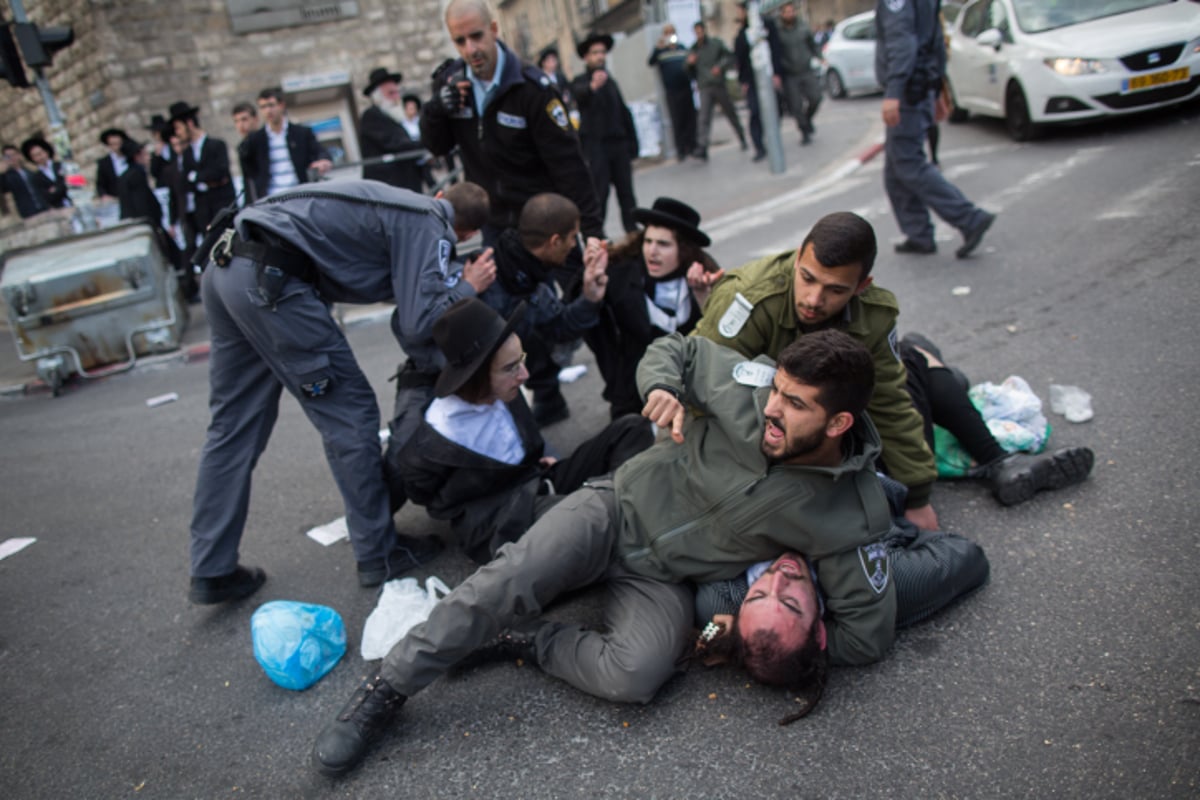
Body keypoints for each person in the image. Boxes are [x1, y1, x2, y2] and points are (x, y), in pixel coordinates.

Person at [311, 330, 897, 777]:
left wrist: (750, 637)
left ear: (838, 422)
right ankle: (389, 686)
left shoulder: (851, 511)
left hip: (664, 578)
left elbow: (866, 635)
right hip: (615, 508)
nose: (772, 407)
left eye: (795, 404)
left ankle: (524, 641)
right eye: (777, 390)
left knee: (637, 677)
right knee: (510, 577)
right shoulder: (750, 387)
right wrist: (662, 387)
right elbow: (679, 349)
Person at [186, 180, 493, 605]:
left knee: (232, 426)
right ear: (463, 234)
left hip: (226, 265)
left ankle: (211, 566)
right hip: (271, 282)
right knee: (350, 415)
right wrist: (467, 287)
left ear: (440, 193)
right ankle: (378, 552)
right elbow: (421, 322)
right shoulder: (429, 221)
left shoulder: (396, 199)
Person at [694, 212, 1093, 525]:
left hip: (836, 420)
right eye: (807, 278)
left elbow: (888, 400)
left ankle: (993, 461)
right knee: (921, 360)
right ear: (797, 258)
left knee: (911, 367)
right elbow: (700, 384)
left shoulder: (871, 314)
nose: (814, 300)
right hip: (774, 433)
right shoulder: (750, 297)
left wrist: (918, 496)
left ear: (862, 286)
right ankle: (995, 458)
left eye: (835, 290)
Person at [694, 473, 990, 720]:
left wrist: (722, 640)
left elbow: (707, 634)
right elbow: (969, 556)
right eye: (790, 602)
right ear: (822, 630)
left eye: (758, 594)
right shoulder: (887, 583)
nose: (780, 577)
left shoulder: (722, 601)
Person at [383, 192, 609, 510]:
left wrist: (589, 296)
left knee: (545, 467)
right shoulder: (478, 271)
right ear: (555, 241)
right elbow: (409, 326)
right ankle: (379, 547)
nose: (575, 246)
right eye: (573, 238)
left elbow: (559, 328)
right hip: (435, 378)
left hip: (493, 385)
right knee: (402, 459)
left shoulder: (532, 283)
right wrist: (463, 366)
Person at [396, 298, 652, 562]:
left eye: (522, 360)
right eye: (511, 367)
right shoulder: (435, 440)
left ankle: (625, 503)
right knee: (587, 513)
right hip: (502, 521)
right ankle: (624, 508)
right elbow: (425, 495)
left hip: (538, 481)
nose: (525, 374)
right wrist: (486, 492)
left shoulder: (505, 389)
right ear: (476, 375)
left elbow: (525, 448)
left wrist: (532, 469)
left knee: (630, 428)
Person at [420, 0, 602, 241]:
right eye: (460, 41)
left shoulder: (533, 88)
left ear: (494, 30)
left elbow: (569, 165)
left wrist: (593, 233)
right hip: (493, 225)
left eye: (476, 36)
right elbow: (437, 146)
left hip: (543, 223)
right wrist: (436, 109)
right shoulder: (451, 83)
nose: (470, 49)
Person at [584, 197, 722, 419]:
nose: (651, 251)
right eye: (648, 241)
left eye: (663, 244)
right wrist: (590, 292)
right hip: (634, 398)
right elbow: (587, 327)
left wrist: (703, 299)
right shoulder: (620, 278)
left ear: (684, 249)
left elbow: (722, 343)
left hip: (690, 398)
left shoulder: (702, 279)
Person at [876, 0, 995, 258]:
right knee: (896, 173)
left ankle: (969, 218)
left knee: (909, 164)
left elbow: (902, 42)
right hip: (921, 87)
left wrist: (894, 91)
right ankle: (919, 235)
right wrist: (938, 90)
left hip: (908, 92)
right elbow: (936, 41)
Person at [570, 32, 639, 234]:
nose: (600, 56)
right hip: (597, 148)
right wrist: (592, 87)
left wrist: (633, 144)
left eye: (602, 52)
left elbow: (624, 113)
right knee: (600, 195)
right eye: (595, 53)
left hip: (619, 146)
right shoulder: (581, 81)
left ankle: (632, 232)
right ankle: (597, 235)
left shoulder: (612, 82)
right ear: (586, 57)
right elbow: (579, 95)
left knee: (627, 194)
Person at [240, 87, 332, 199]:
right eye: (263, 107)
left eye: (271, 105)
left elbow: (319, 151)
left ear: (281, 105)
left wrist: (323, 161)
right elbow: (249, 171)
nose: (268, 111)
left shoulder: (301, 133)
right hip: (271, 199)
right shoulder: (257, 139)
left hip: (300, 195)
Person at [169, 101, 237, 241]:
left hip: (223, 204)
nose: (178, 133)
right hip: (203, 210)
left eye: (178, 128)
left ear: (189, 124)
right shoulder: (187, 153)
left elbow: (221, 172)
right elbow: (184, 182)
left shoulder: (216, 145)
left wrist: (196, 177)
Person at [358, 67, 427, 193]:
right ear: (377, 96)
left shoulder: (393, 117)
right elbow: (395, 143)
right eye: (391, 93)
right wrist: (426, 143)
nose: (396, 97)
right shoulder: (372, 116)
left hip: (404, 183)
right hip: (388, 185)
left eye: (397, 92)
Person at [687, 20, 748, 160]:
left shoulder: (715, 44)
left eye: (700, 31)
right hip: (704, 87)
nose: (699, 34)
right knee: (704, 118)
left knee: (730, 112)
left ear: (704, 30)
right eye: (696, 32)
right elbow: (687, 70)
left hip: (718, 84)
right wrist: (689, 63)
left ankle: (742, 136)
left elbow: (729, 57)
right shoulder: (693, 49)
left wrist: (720, 67)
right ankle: (702, 146)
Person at [733, 3, 779, 163]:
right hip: (752, 80)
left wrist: (777, 74)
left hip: (768, 75)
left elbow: (776, 49)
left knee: (774, 111)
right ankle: (759, 146)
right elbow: (739, 58)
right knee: (755, 112)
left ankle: (773, 141)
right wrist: (743, 81)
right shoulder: (743, 33)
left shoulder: (767, 26)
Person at [773, 2, 823, 145]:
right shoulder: (778, 31)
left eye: (791, 11)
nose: (790, 14)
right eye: (786, 12)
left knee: (816, 98)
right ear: (782, 15)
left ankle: (807, 120)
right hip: (790, 74)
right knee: (795, 106)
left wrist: (820, 56)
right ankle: (804, 131)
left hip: (806, 69)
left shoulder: (802, 26)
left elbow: (812, 44)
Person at [648, 23, 697, 162]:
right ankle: (681, 149)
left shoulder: (682, 48)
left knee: (689, 118)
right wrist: (657, 48)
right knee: (677, 120)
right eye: (667, 33)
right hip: (672, 91)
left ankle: (691, 146)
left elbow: (690, 66)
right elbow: (651, 62)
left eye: (672, 32)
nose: (670, 36)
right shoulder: (661, 52)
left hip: (686, 88)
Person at [0, 143, 51, 218]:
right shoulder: (8, 175)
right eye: (8, 156)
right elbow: (3, 188)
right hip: (28, 212)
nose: (12, 158)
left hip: (44, 207)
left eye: (14, 154)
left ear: (19, 155)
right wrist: (2, 172)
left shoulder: (29, 170)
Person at [21, 136, 71, 209]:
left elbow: (70, 183)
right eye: (35, 156)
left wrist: (56, 189)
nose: (40, 157)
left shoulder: (61, 165)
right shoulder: (36, 178)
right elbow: (44, 196)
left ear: (46, 151)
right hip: (58, 209)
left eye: (40, 153)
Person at [231, 101, 261, 203]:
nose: (241, 125)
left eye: (244, 119)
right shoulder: (242, 146)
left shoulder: (263, 140)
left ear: (255, 119)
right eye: (236, 121)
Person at [94, 127, 131, 201]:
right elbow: (100, 184)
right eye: (113, 144)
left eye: (119, 143)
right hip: (115, 199)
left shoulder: (131, 158)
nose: (117, 147)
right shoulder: (104, 163)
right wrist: (104, 195)